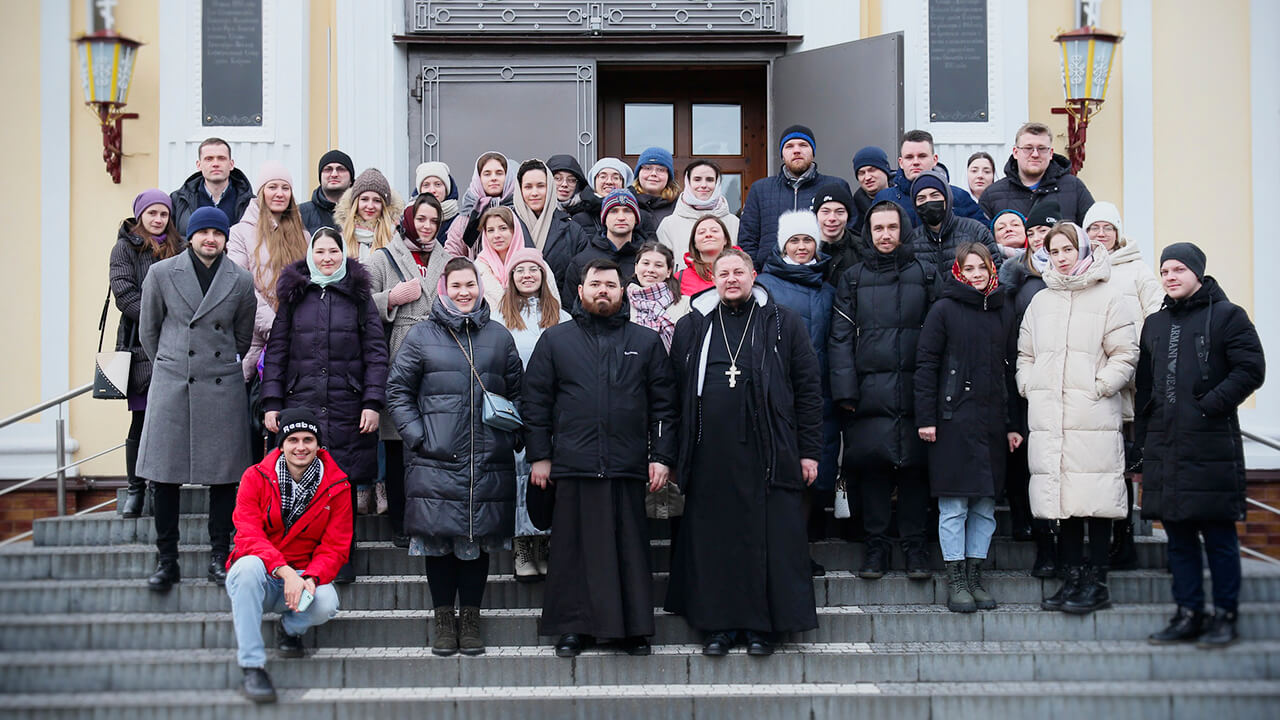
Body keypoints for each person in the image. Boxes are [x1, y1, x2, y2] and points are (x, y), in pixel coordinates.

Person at [665, 248, 822, 657]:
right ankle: (717, 626)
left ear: (754, 275)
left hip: (767, 449)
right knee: (714, 541)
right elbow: (674, 393)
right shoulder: (692, 326)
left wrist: (809, 451)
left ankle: (761, 628)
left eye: (739, 272)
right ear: (712, 279)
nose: (731, 279)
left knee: (764, 540)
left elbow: (807, 389)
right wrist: (674, 453)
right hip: (708, 453)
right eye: (723, 273)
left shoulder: (783, 322)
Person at [524, 258, 679, 657]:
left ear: (622, 291)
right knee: (573, 554)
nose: (603, 291)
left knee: (628, 551)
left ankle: (632, 630)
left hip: (627, 466)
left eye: (611, 285)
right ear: (580, 290)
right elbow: (536, 402)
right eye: (596, 285)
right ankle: (574, 629)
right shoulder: (556, 340)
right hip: (572, 464)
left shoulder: (644, 342)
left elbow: (664, 405)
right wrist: (540, 456)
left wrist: (661, 456)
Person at [386, 258, 523, 657]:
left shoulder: (499, 336)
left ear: (480, 287)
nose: (464, 293)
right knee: (439, 542)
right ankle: (444, 618)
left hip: (486, 458)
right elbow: (398, 391)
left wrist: (513, 434)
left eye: (470, 285)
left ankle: (472, 617)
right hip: (436, 457)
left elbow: (518, 392)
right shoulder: (421, 336)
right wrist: (417, 437)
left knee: (475, 542)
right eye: (456, 285)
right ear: (443, 289)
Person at [1137, 243, 1266, 648]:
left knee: (1219, 538)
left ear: (1197, 272)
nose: (1170, 277)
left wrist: (1210, 405)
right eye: (1164, 271)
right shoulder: (1154, 324)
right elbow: (1145, 388)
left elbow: (1251, 369)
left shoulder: (1228, 316)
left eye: (1178, 269)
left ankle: (1225, 614)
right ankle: (1188, 612)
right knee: (1177, 538)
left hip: (1210, 446)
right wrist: (1142, 443)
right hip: (1166, 447)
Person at [1018, 223, 1139, 615]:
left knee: (1097, 502)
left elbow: (1126, 352)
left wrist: (1101, 385)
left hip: (1093, 415)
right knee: (1064, 502)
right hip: (1051, 417)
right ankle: (1072, 580)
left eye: (1068, 249)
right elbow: (1026, 355)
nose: (1062, 257)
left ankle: (1097, 582)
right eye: (1054, 251)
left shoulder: (1110, 296)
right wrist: (1029, 384)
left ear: (1083, 249)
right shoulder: (1041, 301)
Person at [136, 207, 256, 591]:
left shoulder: (240, 280)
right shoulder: (161, 273)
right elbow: (148, 331)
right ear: (190, 236)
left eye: (217, 233)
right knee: (165, 476)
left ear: (225, 239)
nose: (210, 239)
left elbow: (241, 337)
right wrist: (171, 363)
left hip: (221, 385)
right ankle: (166, 560)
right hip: (173, 384)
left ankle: (219, 556)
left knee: (224, 479)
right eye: (203, 232)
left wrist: (213, 365)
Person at [260, 227, 388, 584]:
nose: (327, 258)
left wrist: (372, 402)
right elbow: (277, 352)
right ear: (311, 254)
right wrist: (272, 402)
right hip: (301, 402)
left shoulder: (359, 295)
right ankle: (301, 557)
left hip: (348, 403)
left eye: (334, 251)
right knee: (301, 479)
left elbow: (376, 354)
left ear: (342, 254)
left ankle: (342, 558)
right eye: (321, 252)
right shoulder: (294, 295)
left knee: (342, 482)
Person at [830, 200, 936, 580]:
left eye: (892, 227)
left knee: (914, 472)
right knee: (872, 470)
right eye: (878, 229)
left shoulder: (925, 274)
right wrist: (846, 392)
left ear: (903, 229)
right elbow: (839, 338)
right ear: (869, 233)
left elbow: (938, 334)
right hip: (868, 394)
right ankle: (875, 547)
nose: (886, 235)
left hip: (914, 390)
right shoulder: (853, 277)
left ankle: (915, 546)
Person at [915, 242, 1020, 613]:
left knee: (985, 507)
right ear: (958, 272)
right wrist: (926, 418)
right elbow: (926, 365)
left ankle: (975, 577)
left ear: (992, 269)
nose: (976, 274)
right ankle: (956, 579)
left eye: (982, 267)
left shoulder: (1003, 309)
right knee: (955, 505)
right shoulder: (944, 309)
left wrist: (1013, 424)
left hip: (992, 422)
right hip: (952, 420)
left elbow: (1010, 368)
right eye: (969, 268)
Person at [225, 408, 350, 704]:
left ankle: (289, 629)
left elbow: (335, 547)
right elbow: (247, 534)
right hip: (265, 577)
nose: (301, 447)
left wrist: (310, 577)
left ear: (319, 445)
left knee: (327, 602)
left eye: (308, 439)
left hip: (304, 579)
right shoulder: (255, 477)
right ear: (281, 444)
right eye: (293, 439)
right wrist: (285, 571)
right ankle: (253, 667)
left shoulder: (338, 485)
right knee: (246, 568)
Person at [755, 211, 839, 573]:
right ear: (782, 245)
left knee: (810, 472)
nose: (802, 247)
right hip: (775, 392)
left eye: (808, 241)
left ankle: (798, 550)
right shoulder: (766, 286)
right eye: (795, 241)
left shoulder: (828, 287)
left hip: (818, 391)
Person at [369, 193, 454, 547]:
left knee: (434, 441)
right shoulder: (382, 258)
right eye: (421, 219)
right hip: (399, 355)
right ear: (408, 219)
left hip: (440, 355)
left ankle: (433, 518)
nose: (427, 226)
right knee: (396, 441)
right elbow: (359, 308)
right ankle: (401, 522)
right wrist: (390, 298)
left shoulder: (449, 259)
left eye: (434, 221)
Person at [1082, 200, 1163, 569]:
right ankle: (1101, 535)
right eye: (1094, 228)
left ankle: (1124, 538)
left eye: (1107, 228)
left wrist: (1135, 368)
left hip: (1128, 388)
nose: (1100, 234)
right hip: (1093, 387)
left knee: (1123, 468)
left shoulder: (1138, 271)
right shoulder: (1082, 267)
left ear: (1117, 233)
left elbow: (1156, 321)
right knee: (1098, 466)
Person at [494, 246, 569, 582]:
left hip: (554, 409)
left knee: (548, 476)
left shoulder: (562, 316)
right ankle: (523, 543)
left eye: (533, 270)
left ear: (543, 275)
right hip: (515, 407)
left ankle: (548, 540)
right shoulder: (499, 315)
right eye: (520, 270)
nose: (527, 275)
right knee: (520, 475)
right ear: (511, 277)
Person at [110, 189, 186, 518]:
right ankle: (135, 489)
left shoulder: (180, 248)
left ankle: (162, 488)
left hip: (178, 346)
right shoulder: (124, 248)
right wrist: (161, 317)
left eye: (164, 214)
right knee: (141, 422)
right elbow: (124, 294)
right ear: (140, 214)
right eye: (152, 213)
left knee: (171, 423)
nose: (158, 220)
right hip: (139, 344)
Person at [996, 208, 1058, 577]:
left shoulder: (1070, 273)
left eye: (1043, 230)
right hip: (1022, 373)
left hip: (1063, 383)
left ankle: (1050, 536)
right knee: (1021, 455)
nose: (1036, 236)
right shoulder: (1016, 278)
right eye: (1031, 230)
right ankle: (1024, 519)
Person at [227, 162, 310, 388]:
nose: (279, 194)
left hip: (295, 338)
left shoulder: (304, 237)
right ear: (261, 191)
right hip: (253, 339)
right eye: (272, 187)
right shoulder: (240, 233)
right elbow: (240, 285)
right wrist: (275, 326)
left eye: (285, 188)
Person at [739, 125, 853, 266]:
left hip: (824, 275)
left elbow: (851, 232)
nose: (797, 150)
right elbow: (747, 238)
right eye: (789, 146)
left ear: (813, 152)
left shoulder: (836, 186)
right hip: (771, 275)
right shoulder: (760, 189)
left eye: (803, 145)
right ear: (782, 154)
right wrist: (756, 273)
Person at [979, 122, 1096, 224]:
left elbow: (1092, 230)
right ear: (1015, 152)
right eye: (1028, 148)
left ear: (1050, 153)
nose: (1035, 154)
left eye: (1042, 148)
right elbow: (983, 242)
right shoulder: (992, 195)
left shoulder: (1074, 187)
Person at [874, 130, 988, 228]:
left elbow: (983, 235)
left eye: (922, 156)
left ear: (935, 159)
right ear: (901, 162)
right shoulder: (885, 199)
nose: (915, 162)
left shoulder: (958, 197)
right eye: (909, 157)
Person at [907, 170, 1002, 272]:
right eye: (921, 199)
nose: (928, 201)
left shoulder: (976, 231)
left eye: (935, 195)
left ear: (947, 199)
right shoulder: (912, 242)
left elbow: (995, 272)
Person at [512, 159, 587, 287]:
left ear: (550, 188)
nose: (534, 193)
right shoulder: (506, 226)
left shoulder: (572, 230)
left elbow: (581, 276)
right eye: (528, 187)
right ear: (520, 190)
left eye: (541, 186)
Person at [562, 188, 646, 298]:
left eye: (627, 211)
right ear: (604, 218)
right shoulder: (581, 261)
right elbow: (569, 307)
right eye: (614, 211)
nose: (621, 217)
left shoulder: (646, 262)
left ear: (636, 218)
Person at [656, 158, 740, 260]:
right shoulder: (669, 224)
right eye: (697, 179)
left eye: (710, 180)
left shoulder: (734, 223)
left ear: (717, 183)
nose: (703, 185)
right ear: (688, 182)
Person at [170, 137, 254, 235]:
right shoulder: (178, 201)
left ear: (231, 164)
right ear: (199, 165)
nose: (215, 164)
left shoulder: (251, 203)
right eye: (209, 159)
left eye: (221, 158)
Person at [446, 151, 518, 257]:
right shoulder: (467, 215)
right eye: (487, 174)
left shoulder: (519, 211)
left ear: (508, 177)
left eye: (499, 173)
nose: (493, 178)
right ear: (478, 179)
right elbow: (452, 253)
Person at [627, 242, 689, 351]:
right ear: (636, 268)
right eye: (646, 263)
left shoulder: (685, 304)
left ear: (669, 271)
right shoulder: (622, 302)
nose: (650, 270)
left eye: (658, 265)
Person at [473, 206, 535, 310]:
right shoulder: (476, 269)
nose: (496, 235)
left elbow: (551, 306)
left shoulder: (534, 263)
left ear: (515, 231)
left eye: (503, 228)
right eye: (490, 230)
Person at [336, 168, 402, 261]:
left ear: (384, 205)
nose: (370, 206)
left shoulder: (395, 238)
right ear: (356, 202)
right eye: (364, 199)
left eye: (377, 200)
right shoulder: (340, 239)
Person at [569, 157, 642, 239]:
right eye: (603, 177)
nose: (609, 182)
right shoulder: (579, 218)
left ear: (623, 183)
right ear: (594, 181)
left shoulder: (640, 214)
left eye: (615, 177)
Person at [809, 183, 863, 283]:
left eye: (840, 212)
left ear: (848, 216)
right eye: (825, 211)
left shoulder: (862, 250)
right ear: (816, 215)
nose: (832, 218)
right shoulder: (803, 249)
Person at [675, 215, 734, 298]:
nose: (708, 235)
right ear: (694, 243)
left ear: (725, 240)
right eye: (702, 232)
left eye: (714, 231)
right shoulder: (679, 278)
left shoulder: (742, 273)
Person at [299, 149, 354, 232]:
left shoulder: (364, 210)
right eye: (328, 169)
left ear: (351, 179)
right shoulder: (300, 213)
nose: (334, 174)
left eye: (341, 169)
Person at [411, 160, 462, 240]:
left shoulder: (460, 223)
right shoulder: (408, 222)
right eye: (426, 185)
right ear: (419, 190)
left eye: (438, 184)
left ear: (446, 189)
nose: (432, 190)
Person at [630, 146, 680, 225]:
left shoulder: (680, 205)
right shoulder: (626, 202)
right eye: (647, 168)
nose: (653, 174)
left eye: (660, 170)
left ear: (669, 176)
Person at [850, 146, 894, 230]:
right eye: (861, 173)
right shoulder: (855, 211)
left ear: (885, 170)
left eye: (872, 170)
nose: (867, 177)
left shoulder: (905, 196)